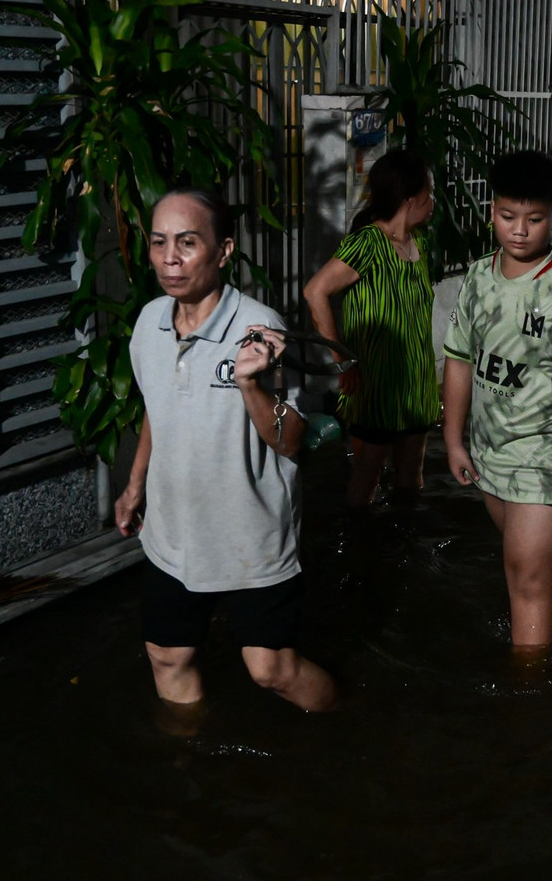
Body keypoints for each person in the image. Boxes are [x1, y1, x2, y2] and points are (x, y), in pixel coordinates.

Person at [115, 188, 337, 713]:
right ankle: (187, 765)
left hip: (249, 536)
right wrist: (133, 485)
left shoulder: (260, 329)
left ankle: (342, 723)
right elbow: (158, 407)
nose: (170, 258)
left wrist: (251, 385)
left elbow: (290, 440)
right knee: (167, 656)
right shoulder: (148, 323)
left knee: (271, 670)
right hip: (174, 531)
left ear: (223, 251)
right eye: (159, 242)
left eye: (188, 243)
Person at [442, 150, 552, 650]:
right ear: (490, 212)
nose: (519, 230)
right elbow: (458, 360)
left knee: (527, 581)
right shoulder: (477, 277)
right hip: (490, 450)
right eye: (507, 217)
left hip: (548, 454)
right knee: (526, 571)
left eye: (535, 219)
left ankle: (531, 703)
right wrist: (453, 439)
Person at [302, 148, 441, 507]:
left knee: (412, 475)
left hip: (416, 384)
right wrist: (342, 360)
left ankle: (404, 551)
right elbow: (315, 291)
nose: (434, 200)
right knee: (367, 477)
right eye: (430, 192)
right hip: (375, 386)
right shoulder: (366, 244)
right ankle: (364, 553)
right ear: (410, 199)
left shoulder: (419, 243)